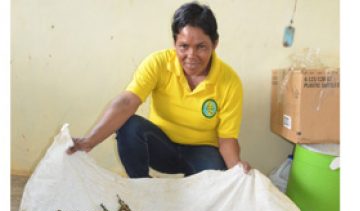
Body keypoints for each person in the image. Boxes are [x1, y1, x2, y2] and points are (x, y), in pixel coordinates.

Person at [66, 2, 251, 178]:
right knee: (129, 126)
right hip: (162, 147)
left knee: (217, 180)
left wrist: (236, 170)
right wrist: (89, 141)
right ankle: (141, 188)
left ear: (215, 43)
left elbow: (227, 139)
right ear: (174, 42)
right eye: (184, 46)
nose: (191, 56)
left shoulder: (230, 82)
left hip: (202, 152)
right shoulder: (158, 63)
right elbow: (127, 102)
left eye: (201, 47)